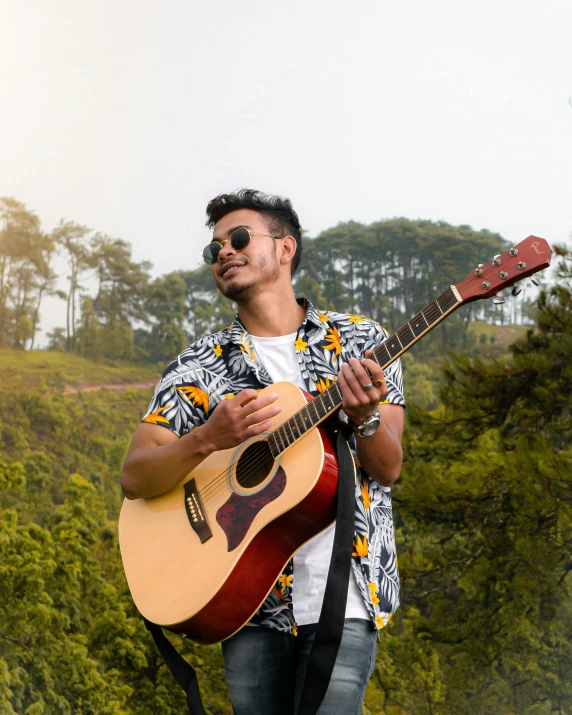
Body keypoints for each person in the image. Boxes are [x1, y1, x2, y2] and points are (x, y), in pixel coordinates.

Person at [120, 189, 405, 715]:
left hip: (344, 594)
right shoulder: (199, 367)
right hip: (246, 601)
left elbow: (387, 468)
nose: (224, 252)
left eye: (240, 238)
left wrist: (365, 415)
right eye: (214, 249)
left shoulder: (362, 342)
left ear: (286, 247)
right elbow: (136, 476)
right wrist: (208, 438)